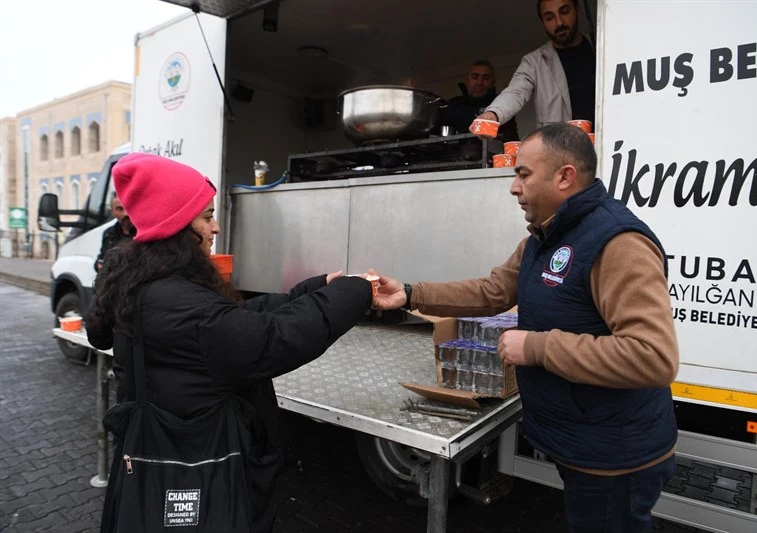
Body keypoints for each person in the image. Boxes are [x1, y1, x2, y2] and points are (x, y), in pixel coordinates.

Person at [371, 123, 679, 532]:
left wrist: (535, 347)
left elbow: (652, 357)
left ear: (565, 176)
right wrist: (410, 294)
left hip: (615, 459)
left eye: (523, 174)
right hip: (585, 444)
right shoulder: (545, 236)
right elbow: (494, 290)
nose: (514, 188)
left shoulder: (617, 243)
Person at [86, 153, 373, 532]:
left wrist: (311, 290)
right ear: (176, 227)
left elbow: (232, 317)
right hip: (204, 463)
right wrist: (357, 291)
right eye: (206, 216)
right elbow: (272, 340)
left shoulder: (147, 285)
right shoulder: (183, 305)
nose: (216, 226)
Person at [472, 0, 595, 138]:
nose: (559, 22)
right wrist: (493, 114)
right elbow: (515, 92)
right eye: (549, 18)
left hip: (613, 146)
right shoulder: (534, 62)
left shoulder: (603, 45)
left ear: (577, 10)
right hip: (561, 153)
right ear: (542, 22)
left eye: (564, 12)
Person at [441, 60, 518, 141]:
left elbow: (512, 140)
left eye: (486, 78)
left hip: (492, 153)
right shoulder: (453, 104)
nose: (479, 82)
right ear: (466, 80)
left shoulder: (502, 106)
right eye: (475, 77)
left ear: (493, 82)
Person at [94, 192, 136, 272]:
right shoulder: (109, 234)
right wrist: (98, 265)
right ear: (112, 212)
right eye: (120, 209)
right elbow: (102, 257)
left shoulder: (144, 233)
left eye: (128, 207)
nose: (125, 214)